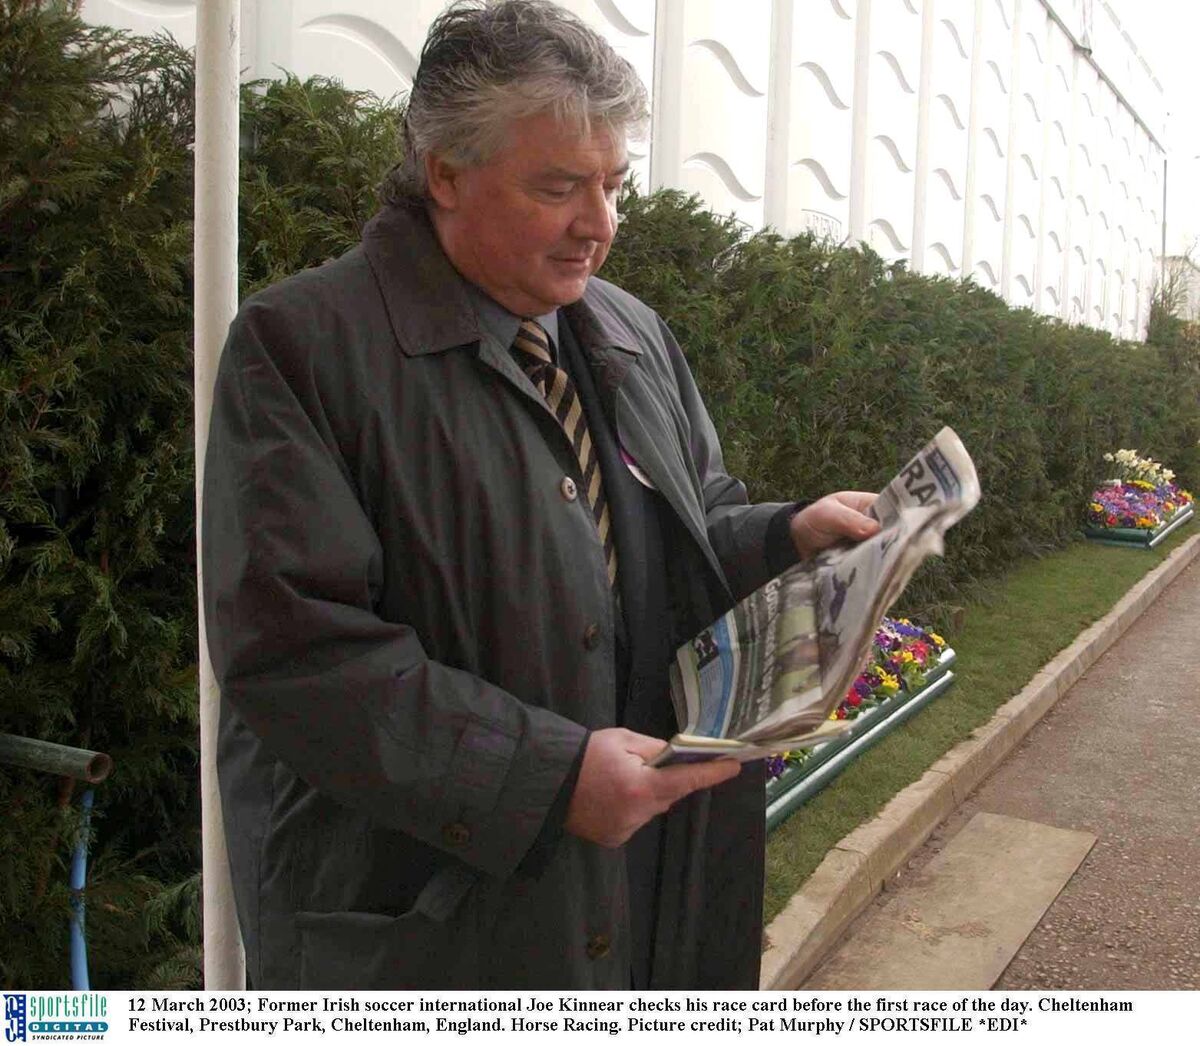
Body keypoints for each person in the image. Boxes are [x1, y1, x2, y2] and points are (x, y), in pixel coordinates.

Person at [202, 0, 878, 990]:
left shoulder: (632, 331)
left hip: (629, 906)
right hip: (424, 942)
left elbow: (680, 535)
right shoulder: (301, 348)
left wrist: (784, 535)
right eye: (558, 187)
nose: (598, 225)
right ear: (444, 173)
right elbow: (298, 653)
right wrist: (548, 777)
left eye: (613, 184)